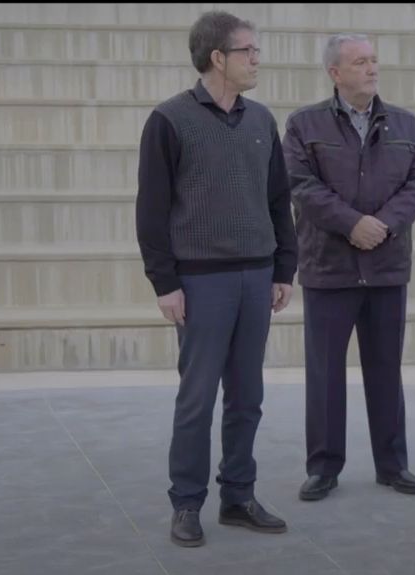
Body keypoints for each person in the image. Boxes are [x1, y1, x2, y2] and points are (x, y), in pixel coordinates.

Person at [135, 10, 297, 548]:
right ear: (217, 58)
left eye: (257, 50)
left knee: (248, 395)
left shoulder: (261, 120)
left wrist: (283, 268)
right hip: (200, 281)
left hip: (256, 276)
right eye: (248, 51)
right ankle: (186, 503)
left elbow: (278, 200)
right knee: (197, 397)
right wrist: (165, 283)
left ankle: (238, 496)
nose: (257, 59)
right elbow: (151, 210)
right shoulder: (170, 120)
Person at [282, 33, 415, 502]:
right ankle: (324, 467)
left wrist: (383, 225)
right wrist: (352, 225)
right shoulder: (303, 124)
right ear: (335, 73)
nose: (371, 68)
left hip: (386, 267)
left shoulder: (406, 124)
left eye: (373, 60)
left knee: (386, 369)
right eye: (360, 61)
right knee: (325, 373)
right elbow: (300, 185)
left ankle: (393, 465)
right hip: (329, 268)